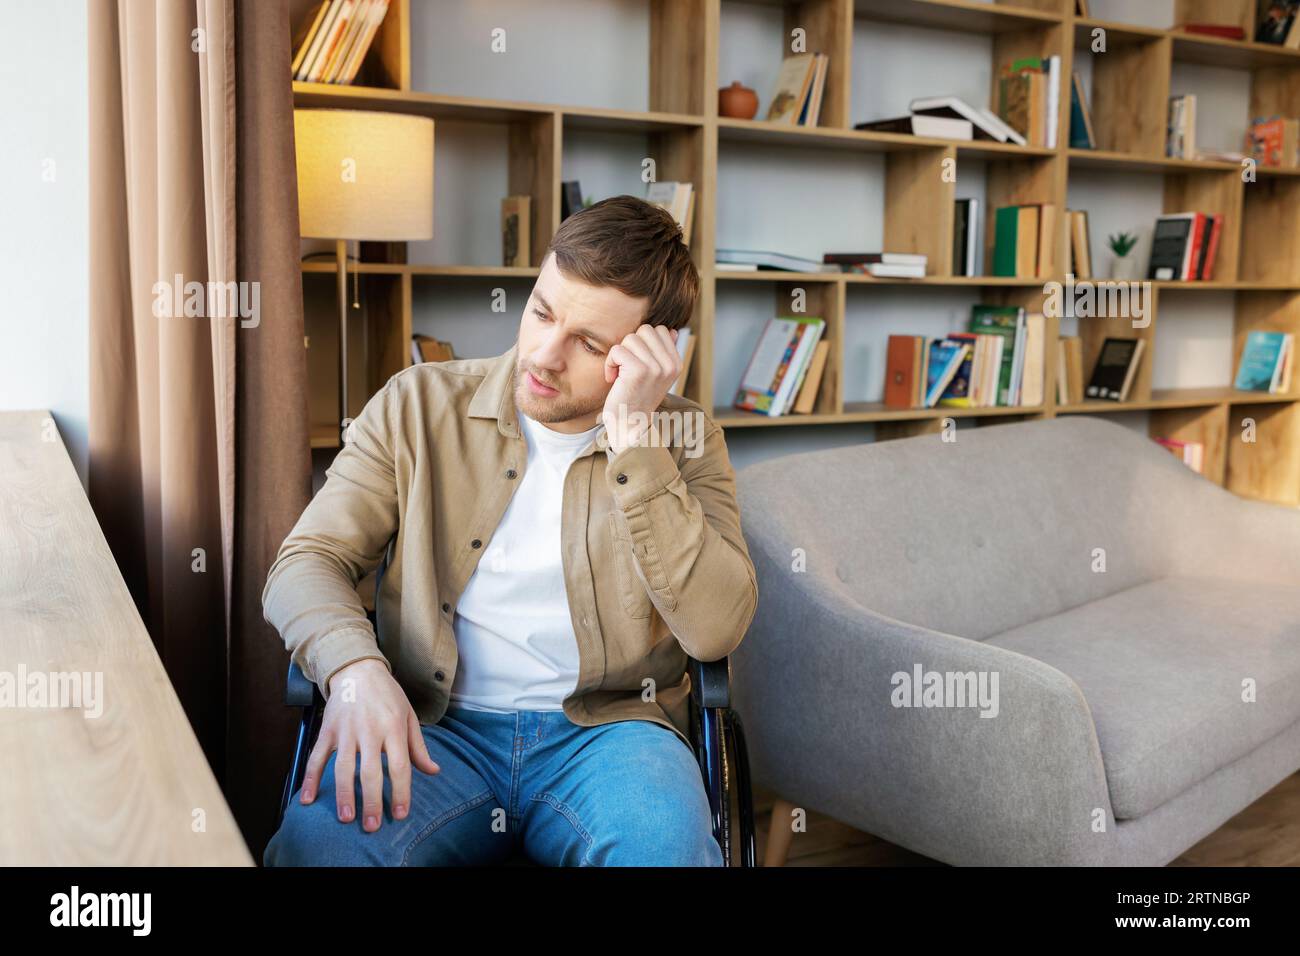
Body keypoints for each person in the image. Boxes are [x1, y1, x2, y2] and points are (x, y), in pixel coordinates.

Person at [262, 195, 758, 866]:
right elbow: (306, 561)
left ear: (653, 354)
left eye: (589, 344)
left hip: (611, 735)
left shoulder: (687, 437)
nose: (545, 356)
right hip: (434, 727)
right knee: (322, 849)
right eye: (542, 313)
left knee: (663, 849)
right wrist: (353, 671)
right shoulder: (416, 405)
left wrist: (635, 441)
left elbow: (715, 628)